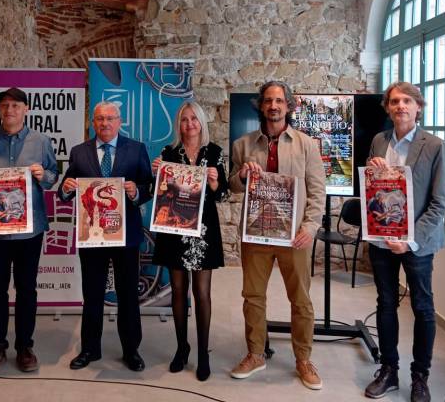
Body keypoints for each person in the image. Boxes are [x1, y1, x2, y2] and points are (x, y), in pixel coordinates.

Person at [228, 80, 326, 390]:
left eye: (279, 101)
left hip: (294, 236)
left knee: (301, 300)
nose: (273, 106)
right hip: (256, 234)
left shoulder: (306, 145)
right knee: (253, 297)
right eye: (268, 100)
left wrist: (309, 228)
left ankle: (303, 359)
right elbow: (231, 185)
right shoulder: (243, 145)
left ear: (289, 106)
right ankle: (255, 354)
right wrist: (241, 176)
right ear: (260, 105)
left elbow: (317, 191)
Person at [363, 82, 445, 402]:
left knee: (423, 308)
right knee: (385, 304)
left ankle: (420, 376)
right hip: (382, 241)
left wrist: (410, 239)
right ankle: (389, 370)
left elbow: (440, 204)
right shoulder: (378, 140)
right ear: (387, 108)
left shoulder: (436, 146)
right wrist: (373, 172)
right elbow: (374, 191)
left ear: (418, 107)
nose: (400, 106)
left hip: (418, 244)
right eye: (394, 102)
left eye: (407, 101)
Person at [0, 87, 59, 374]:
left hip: (29, 231)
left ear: (26, 109)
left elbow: (54, 177)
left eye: (15, 106)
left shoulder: (41, 142)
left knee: (27, 289)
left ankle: (25, 346)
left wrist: (44, 175)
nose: (9, 111)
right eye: (4, 105)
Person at [58, 101, 153, 372]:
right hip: (92, 236)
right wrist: (66, 188)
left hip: (126, 235)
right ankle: (90, 349)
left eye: (110, 118)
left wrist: (137, 192)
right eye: (100, 119)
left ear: (120, 121)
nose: (105, 123)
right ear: (92, 122)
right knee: (93, 293)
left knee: (128, 296)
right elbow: (66, 191)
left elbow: (149, 186)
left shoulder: (136, 149)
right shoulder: (79, 152)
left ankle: (131, 350)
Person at [151, 101, 229, 381]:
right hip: (173, 229)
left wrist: (215, 183)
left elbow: (223, 196)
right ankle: (182, 347)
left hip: (203, 232)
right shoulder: (168, 153)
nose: (190, 124)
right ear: (179, 124)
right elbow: (155, 192)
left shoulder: (215, 153)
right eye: (184, 119)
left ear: (202, 122)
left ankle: (203, 354)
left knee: (202, 293)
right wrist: (156, 173)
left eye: (194, 119)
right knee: (178, 290)